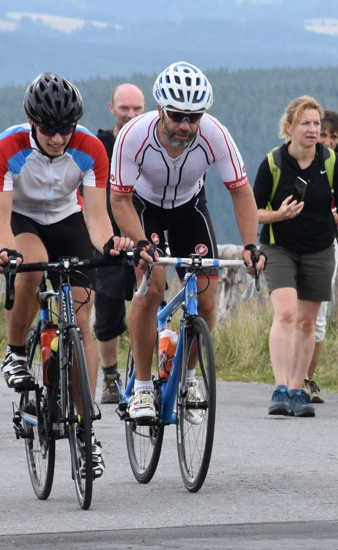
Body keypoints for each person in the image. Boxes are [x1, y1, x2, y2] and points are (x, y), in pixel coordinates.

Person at [0, 72, 135, 478]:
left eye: (65, 129)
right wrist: (5, 252)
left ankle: (86, 433)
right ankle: (16, 352)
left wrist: (109, 245)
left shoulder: (89, 148)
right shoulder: (7, 148)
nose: (57, 138)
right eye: (49, 130)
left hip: (68, 218)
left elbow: (97, 216)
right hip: (23, 218)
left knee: (82, 319)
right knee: (31, 267)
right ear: (32, 122)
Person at [109, 61, 265, 422]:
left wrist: (250, 245)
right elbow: (119, 199)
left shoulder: (215, 134)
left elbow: (241, 192)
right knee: (152, 286)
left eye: (193, 117)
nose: (185, 125)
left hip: (189, 208)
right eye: (178, 116)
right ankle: (143, 387)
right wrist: (140, 245)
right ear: (160, 109)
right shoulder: (134, 135)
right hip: (143, 208)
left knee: (207, 298)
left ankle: (189, 379)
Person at [255, 97, 338, 417]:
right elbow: (253, 211)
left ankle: (296, 390)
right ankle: (279, 388)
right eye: (306, 123)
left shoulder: (332, 163)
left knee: (307, 321)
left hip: (319, 248)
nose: (313, 129)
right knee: (286, 313)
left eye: (316, 123)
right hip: (279, 247)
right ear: (289, 127)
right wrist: (278, 215)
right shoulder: (273, 163)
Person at [94, 83, 146, 404]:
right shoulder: (99, 146)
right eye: (124, 108)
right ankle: (111, 377)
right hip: (107, 240)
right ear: (111, 108)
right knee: (108, 312)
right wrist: (105, 236)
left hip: (145, 237)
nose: (130, 114)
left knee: (149, 303)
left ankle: (144, 375)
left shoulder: (151, 144)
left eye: (137, 109)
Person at [301, 109, 338, 405]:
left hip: (327, 242)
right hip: (296, 241)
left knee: (318, 316)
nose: (328, 140)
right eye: (324, 134)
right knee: (295, 313)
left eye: (334, 136)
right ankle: (289, 378)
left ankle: (307, 378)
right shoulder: (298, 159)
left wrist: (330, 215)